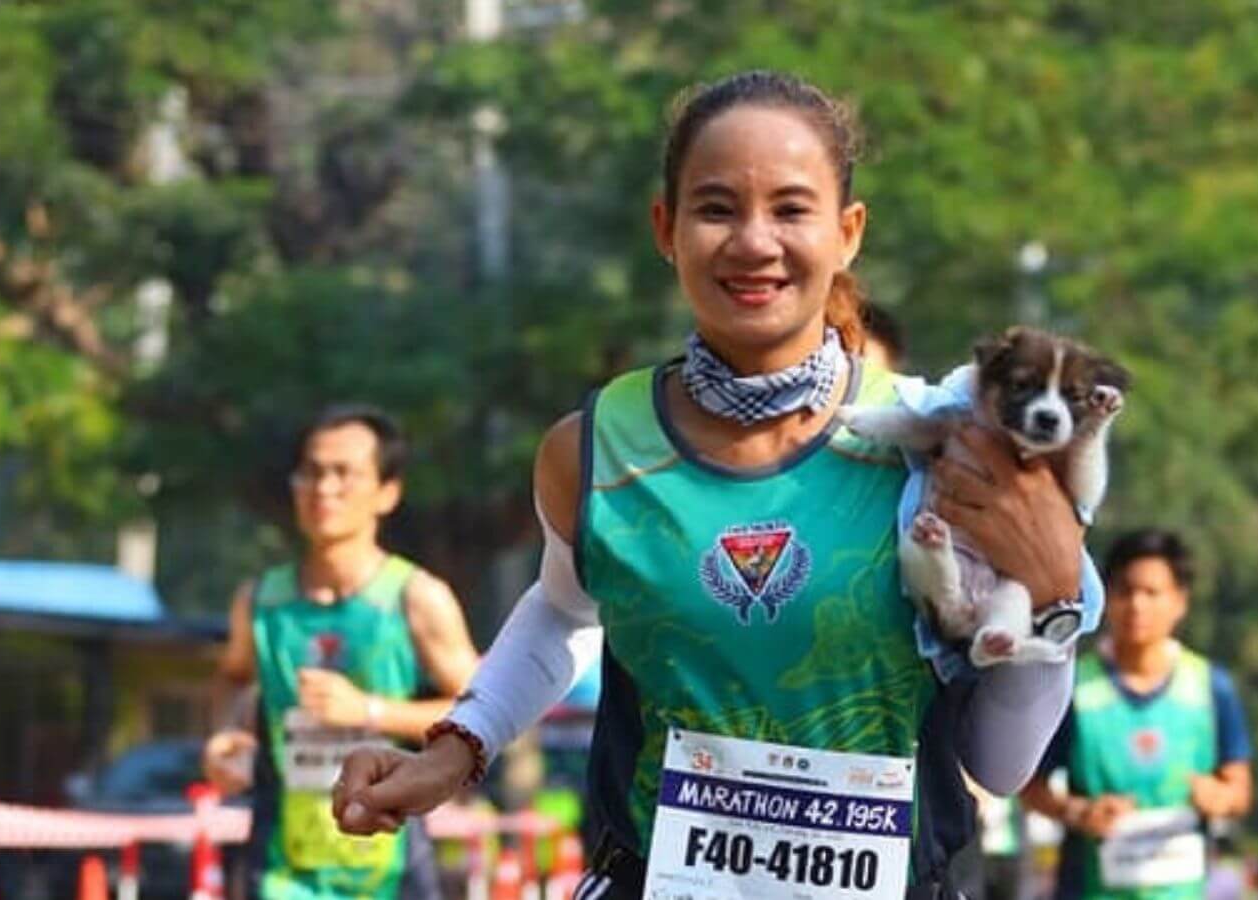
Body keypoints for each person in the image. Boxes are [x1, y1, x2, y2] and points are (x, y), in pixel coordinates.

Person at [332, 70, 1099, 899]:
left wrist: (1054, 604)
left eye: (792, 209)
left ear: (848, 233)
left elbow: (1001, 765)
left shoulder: (943, 453)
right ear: (665, 227)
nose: (754, 242)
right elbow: (563, 610)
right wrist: (455, 750)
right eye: (717, 208)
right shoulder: (592, 450)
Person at [201, 405, 480, 899]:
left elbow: (482, 712)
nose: (324, 489)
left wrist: (369, 711)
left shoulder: (416, 597)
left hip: (389, 863)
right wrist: (227, 735)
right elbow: (233, 676)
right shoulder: (261, 600)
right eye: (311, 471)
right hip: (280, 864)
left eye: (344, 474)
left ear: (387, 492)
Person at [1020, 529, 1253, 899]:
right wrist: (1081, 812)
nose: (1137, 605)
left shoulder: (1210, 687)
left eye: (1152, 592)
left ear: (1179, 601)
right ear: (1106, 597)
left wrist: (1217, 797)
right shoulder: (1074, 687)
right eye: (1125, 591)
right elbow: (1030, 788)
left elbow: (1239, 789)